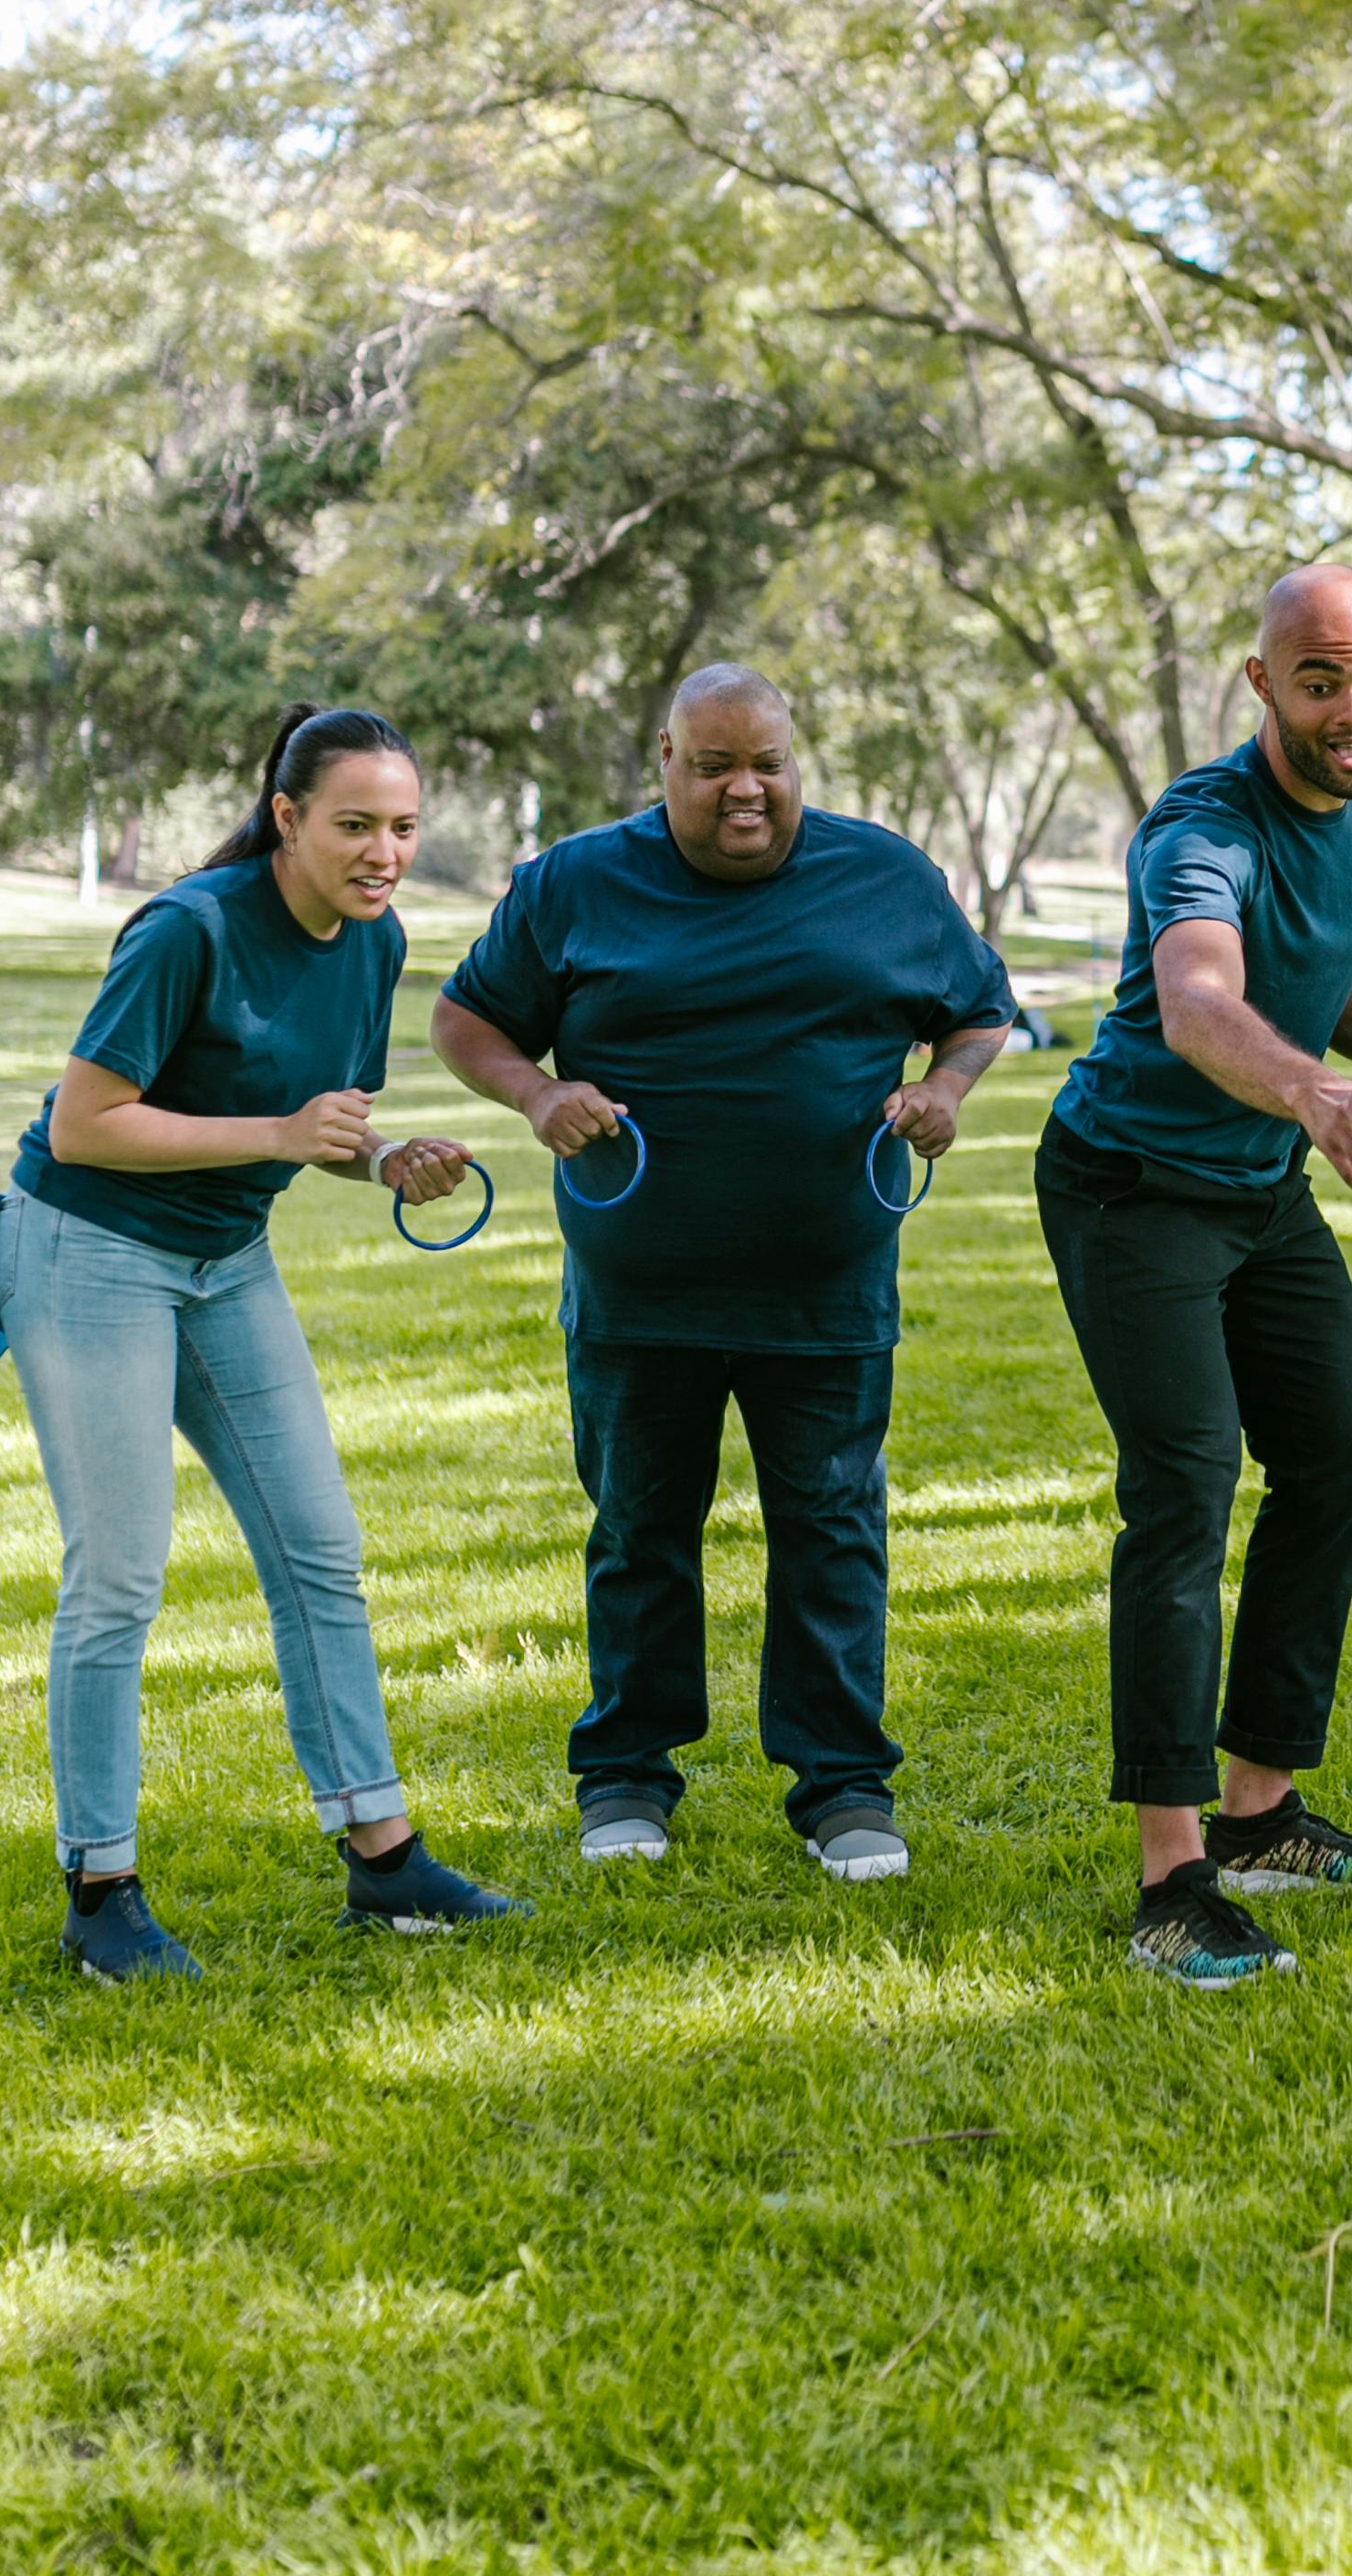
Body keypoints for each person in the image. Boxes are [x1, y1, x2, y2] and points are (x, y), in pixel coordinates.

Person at [430, 663, 1013, 1880]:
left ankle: (844, 1789)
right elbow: (467, 1017)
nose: (744, 791)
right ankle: (627, 1779)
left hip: (828, 1284)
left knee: (832, 1527)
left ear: (797, 761)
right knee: (641, 1531)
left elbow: (978, 1008)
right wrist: (537, 1092)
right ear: (666, 761)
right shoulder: (576, 884)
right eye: (713, 766)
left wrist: (943, 1087)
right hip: (642, 1293)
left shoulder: (889, 879)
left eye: (767, 765)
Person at [0, 704, 527, 1982]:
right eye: (354, 825)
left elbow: (316, 1125)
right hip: (89, 1252)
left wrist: (393, 1158)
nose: (383, 851)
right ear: (286, 819)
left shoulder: (376, 942)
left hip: (226, 1261)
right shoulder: (191, 930)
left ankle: (384, 1860)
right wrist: (287, 1136)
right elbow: (84, 1125)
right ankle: (100, 1891)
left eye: (401, 827)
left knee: (319, 1548)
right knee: (118, 1576)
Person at [1036, 564, 1352, 1985]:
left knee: (1334, 1465)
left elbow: (1324, 971)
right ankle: (1173, 1880)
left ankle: (1261, 1816)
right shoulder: (1198, 829)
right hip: (1134, 1190)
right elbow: (1200, 997)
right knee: (1182, 1487)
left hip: (1258, 1190)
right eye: (1320, 681)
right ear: (1261, 686)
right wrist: (1309, 1095)